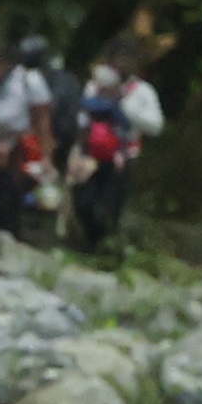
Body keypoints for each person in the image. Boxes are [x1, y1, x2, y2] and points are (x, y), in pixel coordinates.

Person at [63, 49, 160, 253]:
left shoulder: (143, 92)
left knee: (110, 206)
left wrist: (126, 111)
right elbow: (82, 118)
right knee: (83, 203)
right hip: (91, 154)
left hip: (122, 158)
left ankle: (105, 248)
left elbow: (156, 126)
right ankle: (89, 241)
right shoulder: (93, 87)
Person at [0, 33, 58, 242]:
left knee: (12, 189)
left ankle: (13, 232)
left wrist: (46, 155)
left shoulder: (29, 80)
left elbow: (43, 119)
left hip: (20, 142)